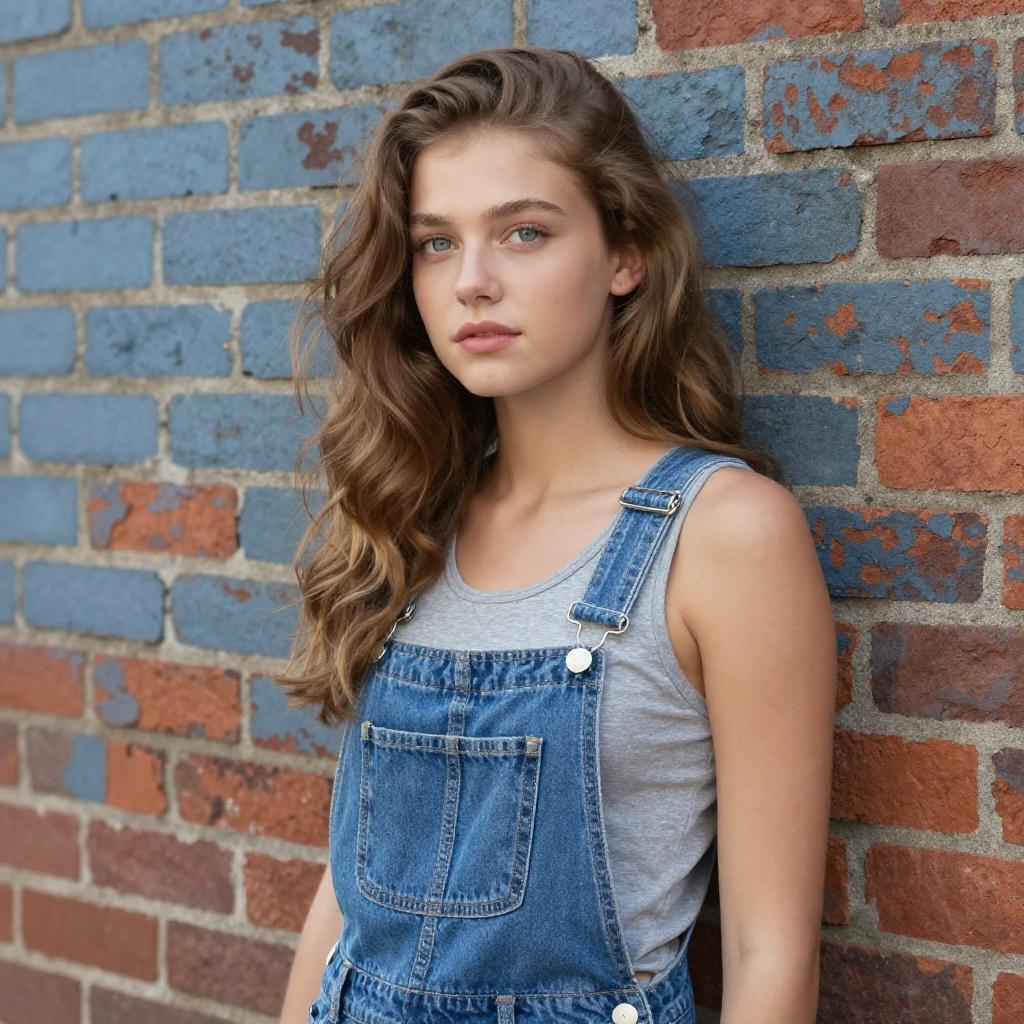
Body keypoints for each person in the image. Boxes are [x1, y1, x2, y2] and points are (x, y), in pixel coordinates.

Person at [275, 45, 837, 1024]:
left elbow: (768, 952)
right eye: (435, 243)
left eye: (522, 233)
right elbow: (348, 904)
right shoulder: (410, 513)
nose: (471, 283)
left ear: (624, 253)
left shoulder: (723, 533)